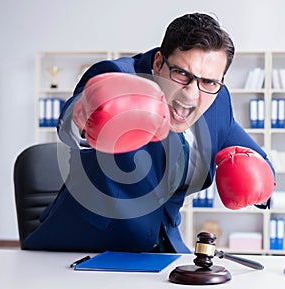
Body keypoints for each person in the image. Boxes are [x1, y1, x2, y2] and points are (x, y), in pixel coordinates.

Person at [23, 12, 275, 253]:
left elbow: (258, 159)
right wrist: (85, 115)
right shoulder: (117, 75)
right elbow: (70, 126)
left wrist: (258, 180)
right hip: (83, 248)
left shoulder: (217, 99)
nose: (191, 93)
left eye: (208, 81)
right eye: (182, 74)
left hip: (161, 250)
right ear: (158, 63)